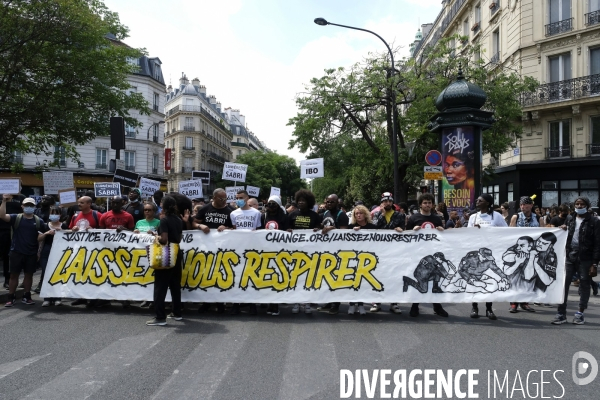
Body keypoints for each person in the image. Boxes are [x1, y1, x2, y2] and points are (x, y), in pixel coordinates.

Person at [552, 197, 600, 325]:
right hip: (569, 256)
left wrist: (595, 263)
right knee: (563, 285)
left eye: (582, 204)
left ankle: (580, 313)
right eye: (577, 204)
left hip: (585, 258)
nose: (579, 206)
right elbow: (567, 233)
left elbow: (597, 243)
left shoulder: (594, 221)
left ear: (587, 205)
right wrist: (563, 228)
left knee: (584, 285)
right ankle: (561, 313)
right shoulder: (570, 218)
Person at [405, 193, 449, 318]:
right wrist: (413, 230)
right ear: (420, 204)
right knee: (422, 279)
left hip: (432, 252)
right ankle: (415, 306)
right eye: (425, 202)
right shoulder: (414, 218)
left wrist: (442, 230)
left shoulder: (436, 218)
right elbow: (406, 235)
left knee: (436, 279)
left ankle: (437, 306)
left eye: (429, 203)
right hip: (418, 253)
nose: (427, 205)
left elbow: (442, 237)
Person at [1, 195, 48, 307]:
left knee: (29, 275)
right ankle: (10, 297)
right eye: (26, 205)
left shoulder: (38, 221)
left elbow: (40, 238)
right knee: (13, 276)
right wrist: (3, 201)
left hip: (31, 253)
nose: (28, 207)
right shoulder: (15, 217)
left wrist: (39, 250)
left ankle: (27, 296)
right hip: (16, 252)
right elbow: (2, 215)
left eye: (31, 205)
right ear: (22, 206)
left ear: (34, 207)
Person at [467, 194, 507, 320]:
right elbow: (467, 234)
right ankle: (474, 307)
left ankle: (489, 309)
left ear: (488, 203)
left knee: (490, 279)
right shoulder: (473, 217)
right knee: (476, 280)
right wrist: (474, 230)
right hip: (476, 254)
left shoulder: (497, 216)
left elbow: (505, 231)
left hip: (491, 254)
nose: (477, 202)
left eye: (480, 200)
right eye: (477, 200)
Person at [193, 188, 233, 314]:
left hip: (223, 248)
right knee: (207, 275)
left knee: (220, 275)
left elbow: (235, 228)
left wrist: (226, 228)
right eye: (221, 198)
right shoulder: (205, 209)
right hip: (207, 247)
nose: (224, 201)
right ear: (214, 198)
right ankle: (207, 302)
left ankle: (220, 303)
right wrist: (200, 226)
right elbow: (193, 222)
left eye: (225, 198)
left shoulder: (230, 211)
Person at [147, 195, 184, 326]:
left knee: (160, 287)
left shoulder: (164, 220)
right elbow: (178, 239)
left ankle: (160, 317)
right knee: (175, 285)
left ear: (163, 206)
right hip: (176, 253)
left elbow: (164, 239)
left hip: (165, 255)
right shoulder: (179, 220)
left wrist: (155, 235)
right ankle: (177, 313)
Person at [370, 192, 404, 314]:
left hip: (394, 251)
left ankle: (394, 303)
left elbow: (403, 231)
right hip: (380, 250)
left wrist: (401, 230)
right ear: (382, 202)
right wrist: (382, 215)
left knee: (394, 276)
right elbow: (374, 228)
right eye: (385, 201)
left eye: (389, 201)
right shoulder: (376, 214)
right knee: (378, 276)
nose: (387, 203)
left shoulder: (399, 215)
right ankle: (376, 301)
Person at [287, 189, 320, 314]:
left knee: (307, 277)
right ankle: (296, 301)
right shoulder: (292, 215)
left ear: (309, 202)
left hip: (310, 251)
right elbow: (286, 229)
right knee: (296, 276)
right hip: (295, 251)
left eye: (303, 201)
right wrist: (288, 230)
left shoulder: (315, 216)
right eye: (299, 200)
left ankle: (306, 302)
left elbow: (320, 230)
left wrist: (318, 229)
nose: (300, 203)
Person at [508, 196, 543, 313]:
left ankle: (525, 302)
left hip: (532, 252)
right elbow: (510, 232)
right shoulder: (516, 217)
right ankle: (513, 303)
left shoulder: (538, 218)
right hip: (519, 252)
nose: (523, 207)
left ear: (531, 206)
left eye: (526, 205)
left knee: (529, 278)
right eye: (521, 205)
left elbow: (542, 234)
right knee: (516, 277)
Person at [229, 190, 262, 315]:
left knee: (251, 277)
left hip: (252, 249)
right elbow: (234, 230)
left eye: (241, 197)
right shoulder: (233, 213)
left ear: (247, 198)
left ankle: (252, 304)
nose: (239, 200)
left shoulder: (256, 213)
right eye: (237, 198)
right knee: (237, 277)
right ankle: (235, 304)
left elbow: (259, 230)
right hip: (237, 249)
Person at [317, 194, 349, 315]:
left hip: (338, 251)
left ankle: (336, 304)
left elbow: (344, 233)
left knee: (336, 278)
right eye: (327, 202)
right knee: (328, 277)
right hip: (326, 250)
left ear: (337, 203)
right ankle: (329, 302)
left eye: (332, 202)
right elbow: (323, 226)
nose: (329, 204)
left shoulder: (342, 215)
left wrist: (332, 228)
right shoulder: (325, 213)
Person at [260, 196, 288, 316]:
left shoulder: (284, 216)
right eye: (269, 204)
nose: (271, 206)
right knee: (267, 276)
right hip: (266, 250)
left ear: (278, 205)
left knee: (277, 276)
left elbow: (288, 230)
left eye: (273, 204)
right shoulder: (263, 216)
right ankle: (268, 301)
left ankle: (275, 304)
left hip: (280, 251)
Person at [347, 204, 377, 315]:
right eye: (356, 214)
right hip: (353, 259)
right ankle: (351, 304)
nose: (359, 215)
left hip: (368, 259)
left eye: (361, 213)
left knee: (363, 283)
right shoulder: (350, 227)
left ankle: (361, 304)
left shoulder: (372, 227)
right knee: (353, 281)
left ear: (365, 214)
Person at [39, 206, 63, 307]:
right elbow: (39, 238)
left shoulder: (64, 225)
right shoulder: (45, 225)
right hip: (47, 251)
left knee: (58, 274)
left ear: (60, 215)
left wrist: (62, 231)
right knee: (46, 274)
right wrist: (47, 233)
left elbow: (71, 235)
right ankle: (47, 298)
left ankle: (57, 298)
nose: (54, 215)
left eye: (56, 213)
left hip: (60, 252)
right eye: (52, 213)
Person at [0, 194, 22, 289]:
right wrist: (4, 200)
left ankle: (8, 280)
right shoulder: (1, 197)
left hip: (14, 232)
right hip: (1, 230)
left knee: (8, 256)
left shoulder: (21, 198)